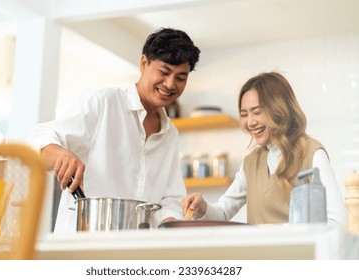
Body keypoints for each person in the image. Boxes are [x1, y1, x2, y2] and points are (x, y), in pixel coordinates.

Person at [29, 27, 201, 232]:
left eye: (181, 78)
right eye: (164, 72)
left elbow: (171, 197)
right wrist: (61, 154)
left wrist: (171, 222)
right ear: (144, 63)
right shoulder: (102, 102)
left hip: (135, 252)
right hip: (81, 249)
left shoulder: (170, 133)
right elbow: (39, 137)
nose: (170, 84)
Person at [182, 72, 347, 226]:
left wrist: (280, 232)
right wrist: (202, 207)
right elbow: (223, 212)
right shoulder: (251, 162)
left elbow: (336, 222)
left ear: (279, 109)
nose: (250, 122)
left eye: (257, 112)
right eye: (244, 114)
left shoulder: (311, 153)